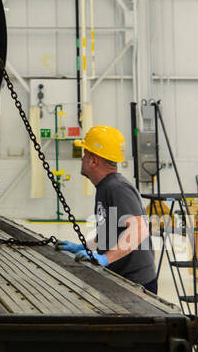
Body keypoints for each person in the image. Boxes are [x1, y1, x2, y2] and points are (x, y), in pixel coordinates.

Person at [59, 124, 158, 293]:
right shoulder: (105, 187)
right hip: (123, 279)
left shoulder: (117, 188)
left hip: (136, 284)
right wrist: (84, 246)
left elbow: (139, 230)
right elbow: (109, 231)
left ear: (94, 160)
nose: (82, 159)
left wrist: (105, 258)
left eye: (85, 154)